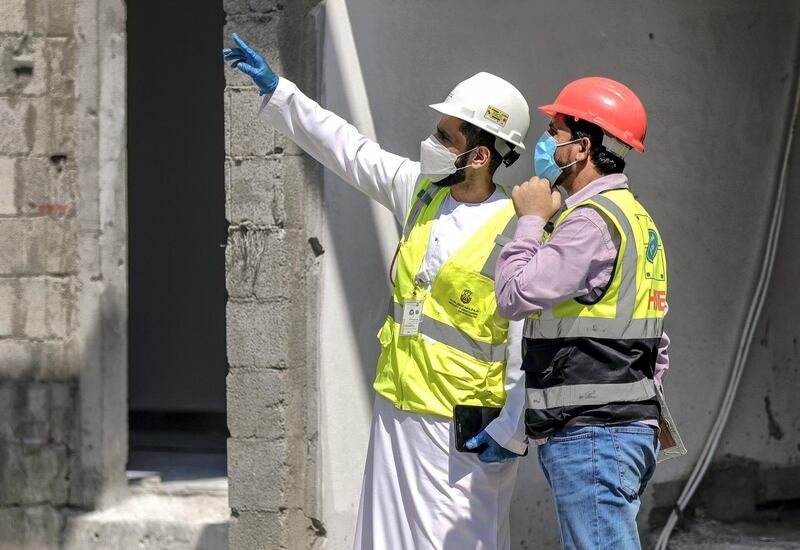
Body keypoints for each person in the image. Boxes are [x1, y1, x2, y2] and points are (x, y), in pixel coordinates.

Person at [223, 33, 531, 549]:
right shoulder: (421, 192)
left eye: (445, 136)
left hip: (464, 430)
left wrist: (513, 427)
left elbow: (527, 341)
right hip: (398, 408)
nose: (431, 143)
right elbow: (349, 150)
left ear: (479, 155)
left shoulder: (518, 229)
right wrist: (281, 92)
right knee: (384, 540)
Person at [495, 77, 674, 549]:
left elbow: (513, 295)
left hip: (594, 434)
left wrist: (531, 219)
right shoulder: (633, 217)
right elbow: (656, 340)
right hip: (618, 429)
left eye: (554, 130)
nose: (545, 140)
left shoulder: (590, 222)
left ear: (582, 147)